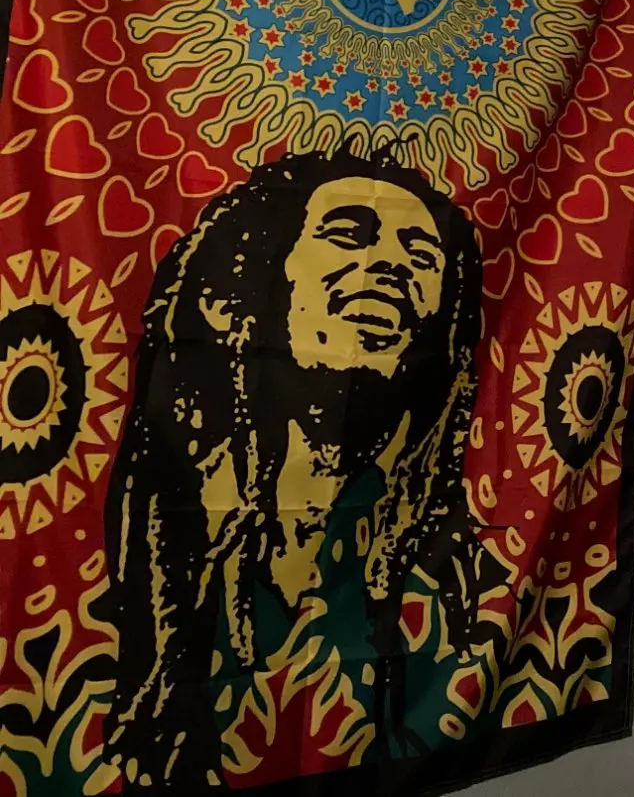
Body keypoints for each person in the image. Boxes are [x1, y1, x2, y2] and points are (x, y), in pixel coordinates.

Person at [103, 146, 488, 788]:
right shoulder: (153, 541)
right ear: (253, 282)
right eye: (348, 234)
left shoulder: (450, 569)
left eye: (423, 256)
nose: (391, 264)